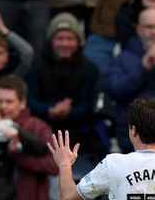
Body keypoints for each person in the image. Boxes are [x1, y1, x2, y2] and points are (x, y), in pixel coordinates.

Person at [105, 7, 155, 151]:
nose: (153, 31)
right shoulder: (122, 58)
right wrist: (143, 68)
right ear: (138, 29)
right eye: (148, 27)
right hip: (131, 135)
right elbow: (114, 90)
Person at [0, 75, 59, 200]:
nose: (3, 107)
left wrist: (19, 157)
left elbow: (54, 165)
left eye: (9, 102)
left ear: (22, 103)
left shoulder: (37, 127)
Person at [27, 12, 100, 150]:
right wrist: (49, 110)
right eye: (59, 38)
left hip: (77, 128)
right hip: (41, 126)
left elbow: (90, 104)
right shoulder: (36, 65)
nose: (65, 44)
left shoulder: (89, 68)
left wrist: (69, 112)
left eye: (70, 38)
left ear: (78, 41)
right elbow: (29, 99)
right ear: (51, 40)